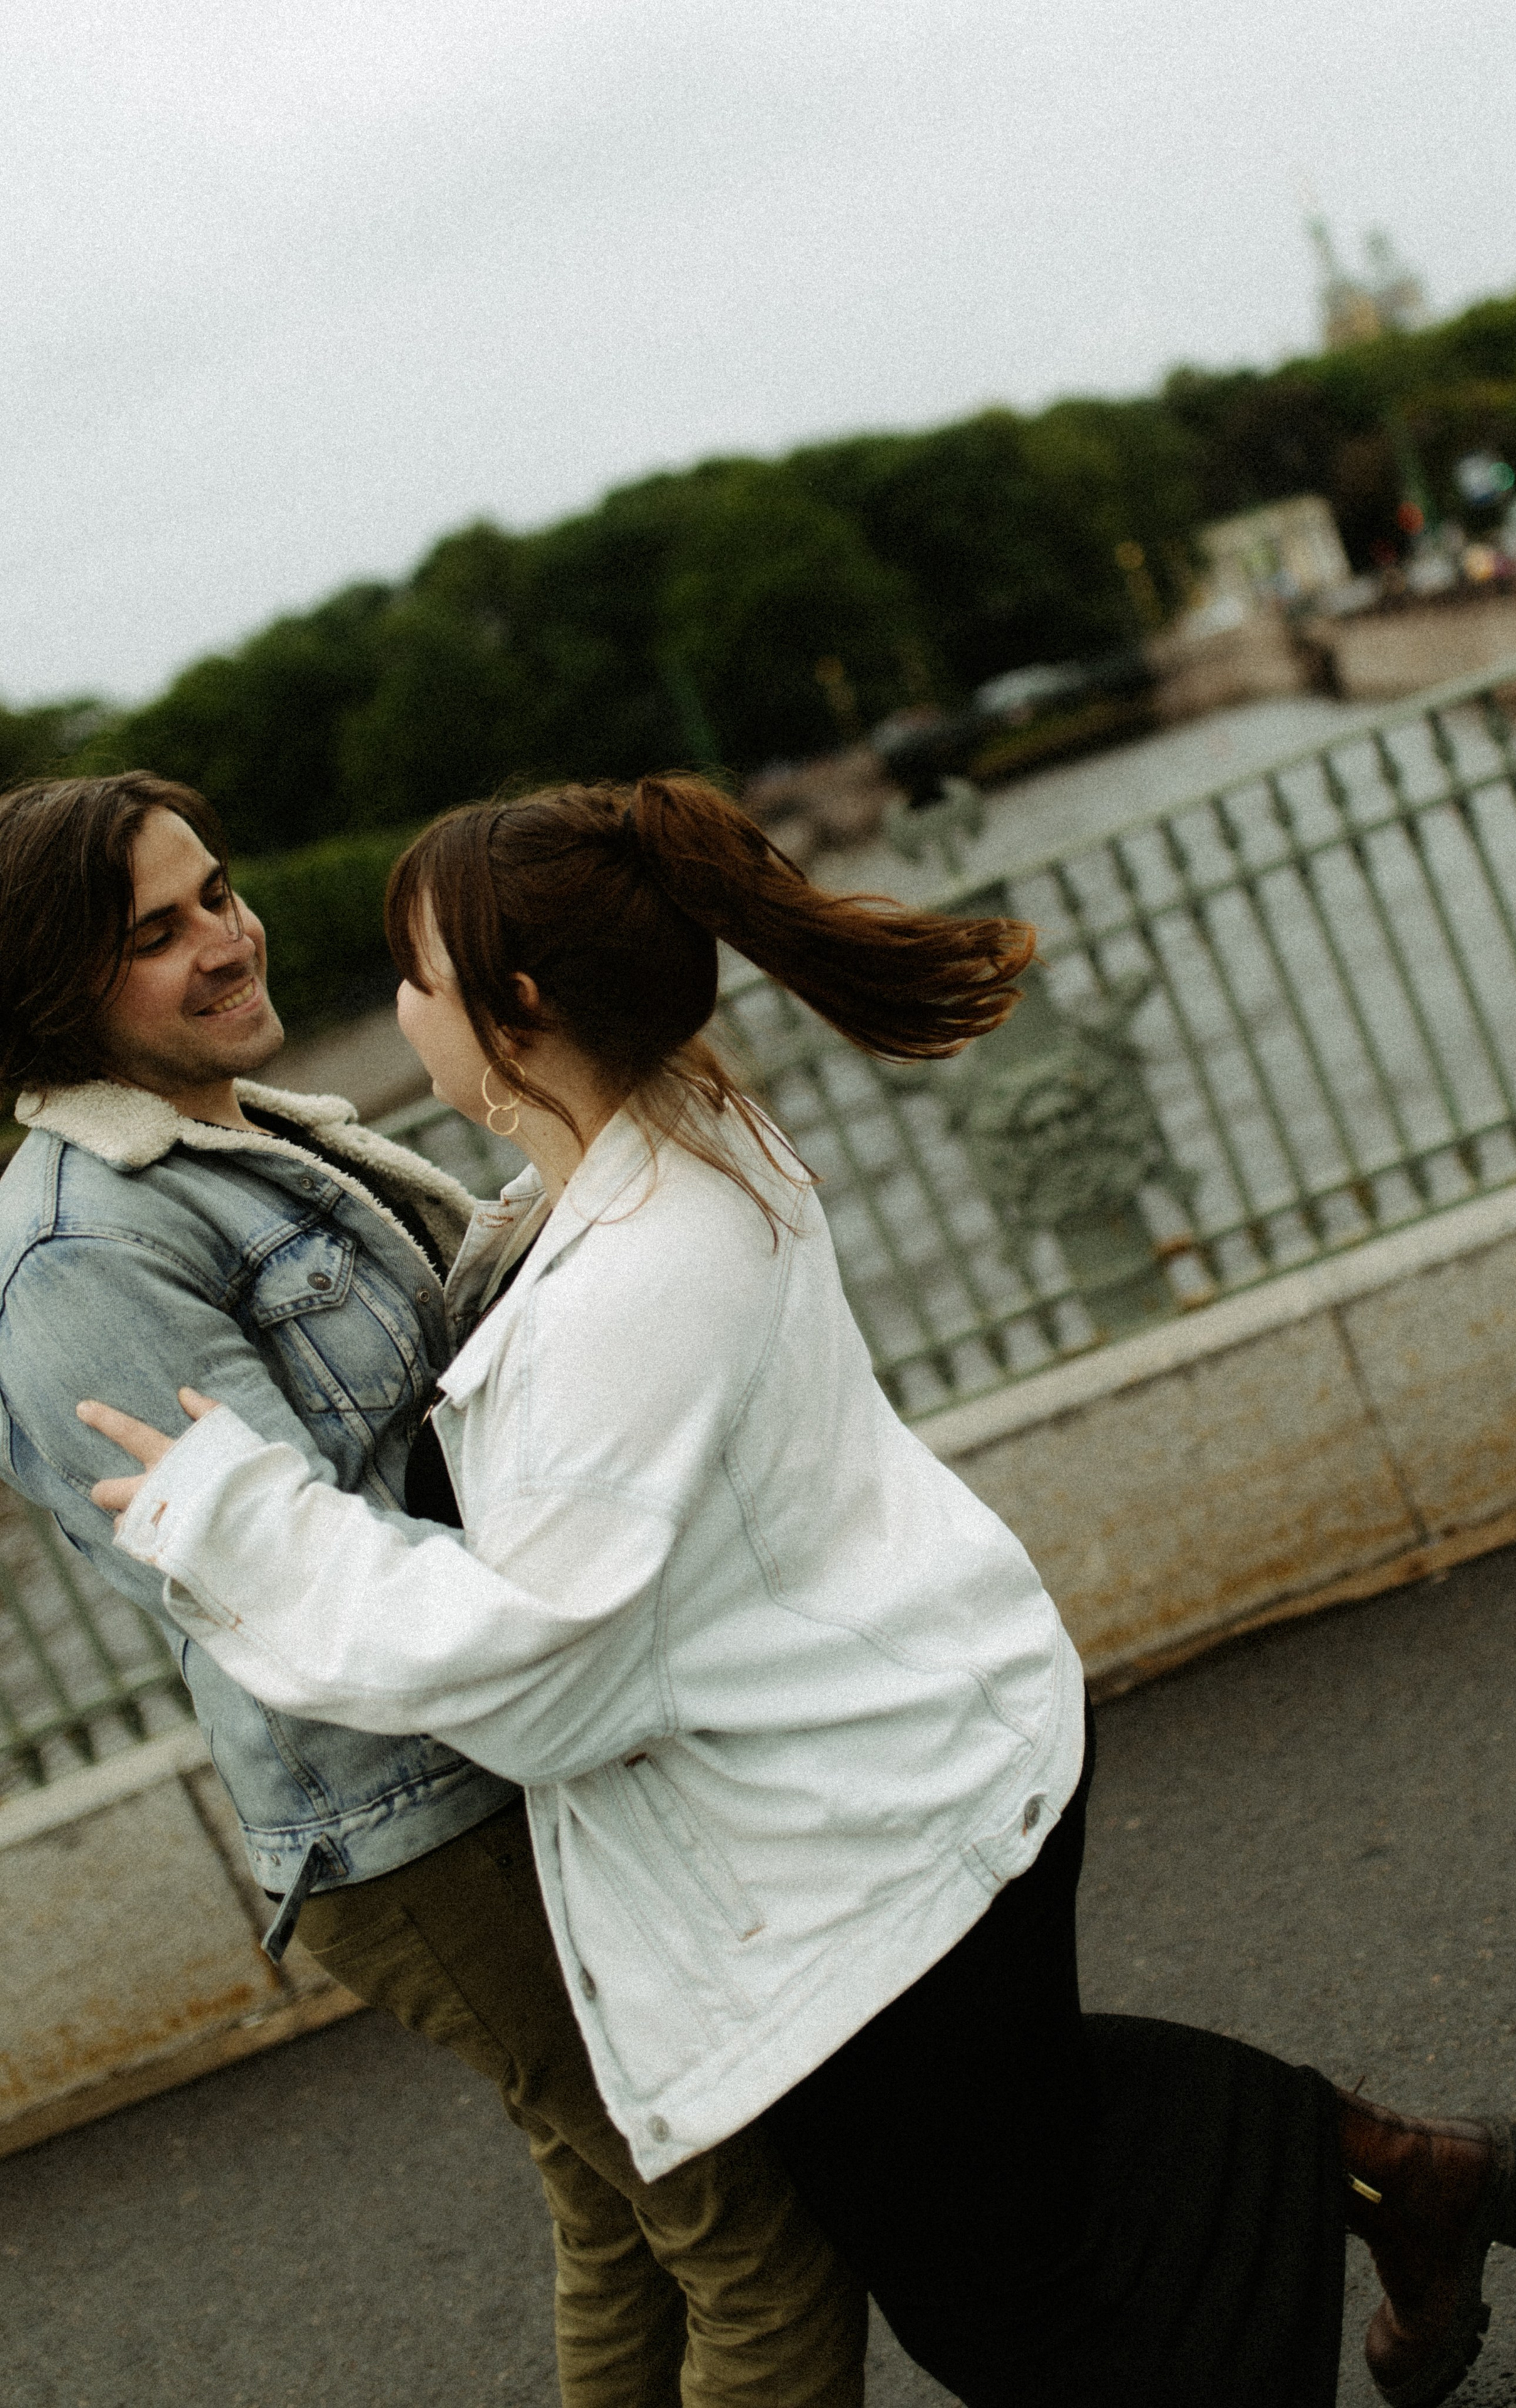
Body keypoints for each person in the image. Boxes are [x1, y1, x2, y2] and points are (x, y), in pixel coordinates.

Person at [82, 773, 1516, 2408]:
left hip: (867, 1844)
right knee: (1033, 2129)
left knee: (1015, 2303)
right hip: (934, 1753)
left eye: (415, 979)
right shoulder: (682, 1128)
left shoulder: (627, 1279)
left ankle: (1373, 2200)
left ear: (513, 1008)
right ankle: (1400, 2176)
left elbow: (543, 1671)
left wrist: (240, 1522)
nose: (396, 1008)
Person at [0, 772, 867, 2408]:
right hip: (405, 1815)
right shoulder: (76, 1259)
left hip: (470, 1764)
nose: (226, 940)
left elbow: (462, 1350)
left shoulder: (241, 1134)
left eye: (218, 891)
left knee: (624, 2225)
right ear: (53, 990)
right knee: (755, 2235)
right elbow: (286, 1574)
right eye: (155, 933)